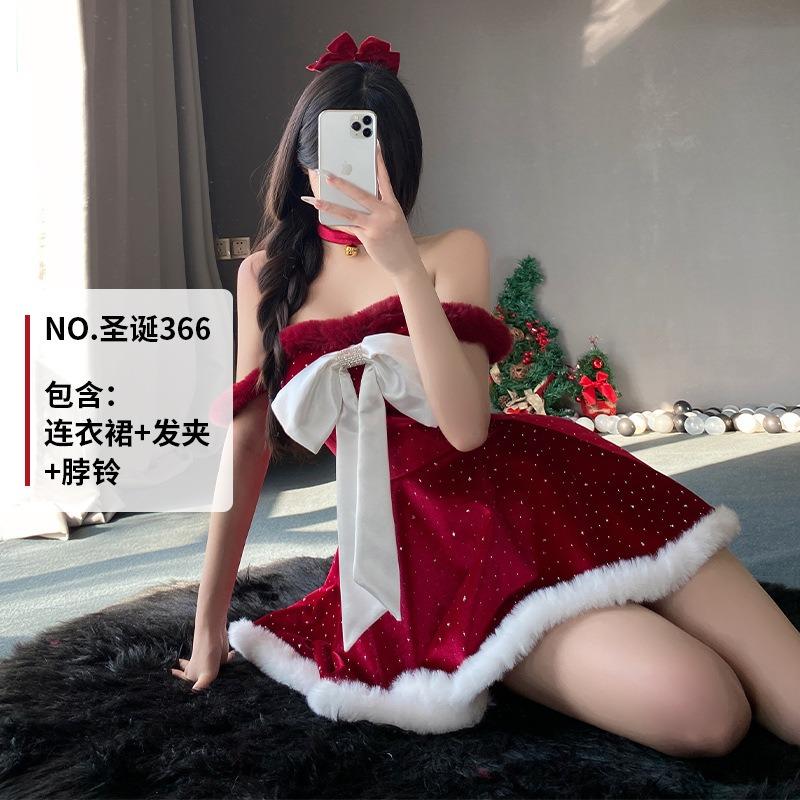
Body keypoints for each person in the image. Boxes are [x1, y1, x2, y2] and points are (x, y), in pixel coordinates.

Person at [171, 31, 800, 755]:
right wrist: (208, 621)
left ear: (401, 165)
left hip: (551, 487)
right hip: (441, 557)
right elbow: (246, 446)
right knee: (709, 715)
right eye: (333, 157)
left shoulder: (453, 252)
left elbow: (466, 427)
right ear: (303, 162)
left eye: (373, 159)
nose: (351, 177)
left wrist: (405, 269)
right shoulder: (264, 278)